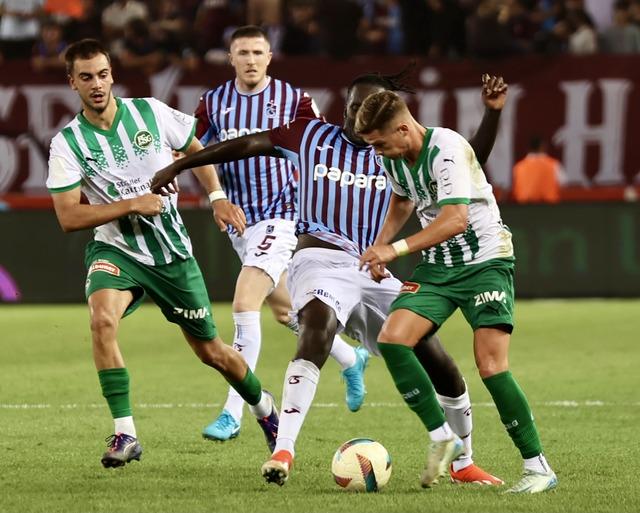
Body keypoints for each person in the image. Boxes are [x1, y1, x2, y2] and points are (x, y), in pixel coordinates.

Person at [151, 70, 508, 488]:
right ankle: (283, 450)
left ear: (389, 113)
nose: (357, 115)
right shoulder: (308, 134)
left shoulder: (396, 151)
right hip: (318, 256)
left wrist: (492, 114)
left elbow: (468, 161)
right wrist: (185, 161)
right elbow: (248, 144)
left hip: (372, 266)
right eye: (352, 106)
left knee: (435, 357)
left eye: (367, 107)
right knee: (317, 328)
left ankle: (463, 461)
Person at [46, 38, 278, 469]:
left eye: (101, 74)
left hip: (171, 255)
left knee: (212, 353)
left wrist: (216, 197)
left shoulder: (150, 111)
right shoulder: (68, 144)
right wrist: (133, 203)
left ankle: (264, 408)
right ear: (72, 83)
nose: (96, 84)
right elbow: (67, 217)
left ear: (112, 74)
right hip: (116, 250)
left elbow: (197, 149)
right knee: (101, 320)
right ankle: (125, 433)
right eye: (85, 78)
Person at [355, 90, 558, 493]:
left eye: (379, 143)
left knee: (490, 366)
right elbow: (401, 200)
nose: (376, 151)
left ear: (402, 127)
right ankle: (442, 434)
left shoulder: (446, 148)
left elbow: (455, 220)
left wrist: (393, 249)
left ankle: (538, 468)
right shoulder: (392, 157)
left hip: (485, 261)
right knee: (393, 339)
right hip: (439, 267)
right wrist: (381, 248)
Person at [194, 25, 370, 443]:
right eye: (243, 53)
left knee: (243, 302)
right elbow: (194, 149)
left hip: (283, 214)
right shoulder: (213, 102)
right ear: (230, 57)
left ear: (270, 56)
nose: (251, 59)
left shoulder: (295, 100)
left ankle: (234, 411)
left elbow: (325, 148)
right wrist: (216, 195)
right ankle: (350, 357)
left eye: (258, 52)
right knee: (285, 309)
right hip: (241, 221)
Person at [512, 135, 565, 203]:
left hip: (524, 208)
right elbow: (564, 184)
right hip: (549, 208)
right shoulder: (554, 165)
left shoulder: (518, 167)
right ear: (542, 146)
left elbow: (515, 189)